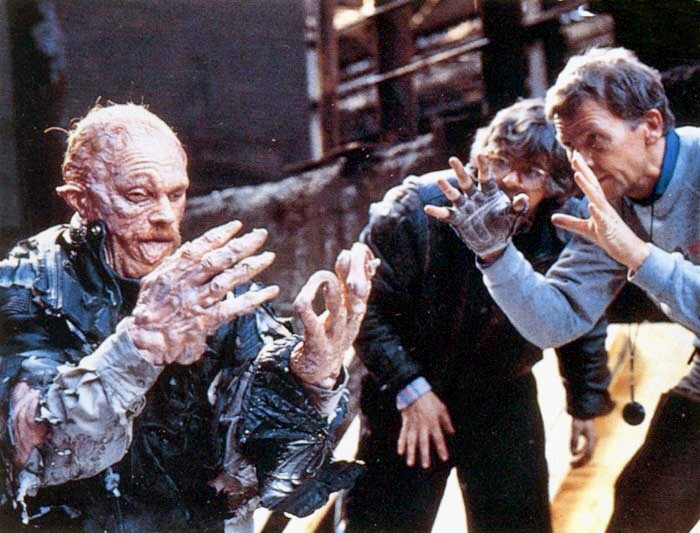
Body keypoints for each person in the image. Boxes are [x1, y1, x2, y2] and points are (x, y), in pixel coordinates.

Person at [0, 103, 378, 532]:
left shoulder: (217, 294)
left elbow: (278, 475)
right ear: (81, 201)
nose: (165, 216)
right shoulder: (28, 283)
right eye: (138, 195)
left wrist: (310, 380)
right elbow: (34, 448)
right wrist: (138, 348)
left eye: (176, 194)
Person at [427, 47, 700, 532]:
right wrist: (495, 254)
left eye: (596, 139)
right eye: (572, 149)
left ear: (651, 125)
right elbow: (555, 321)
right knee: (644, 504)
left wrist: (638, 256)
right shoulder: (610, 202)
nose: (584, 163)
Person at [343, 99, 615, 533]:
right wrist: (408, 387)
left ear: (554, 187)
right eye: (499, 161)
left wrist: (585, 399)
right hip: (407, 388)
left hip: (501, 393)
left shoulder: (564, 227)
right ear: (479, 158)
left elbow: (578, 312)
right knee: (385, 523)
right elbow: (364, 308)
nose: (508, 179)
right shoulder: (415, 209)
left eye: (530, 171)